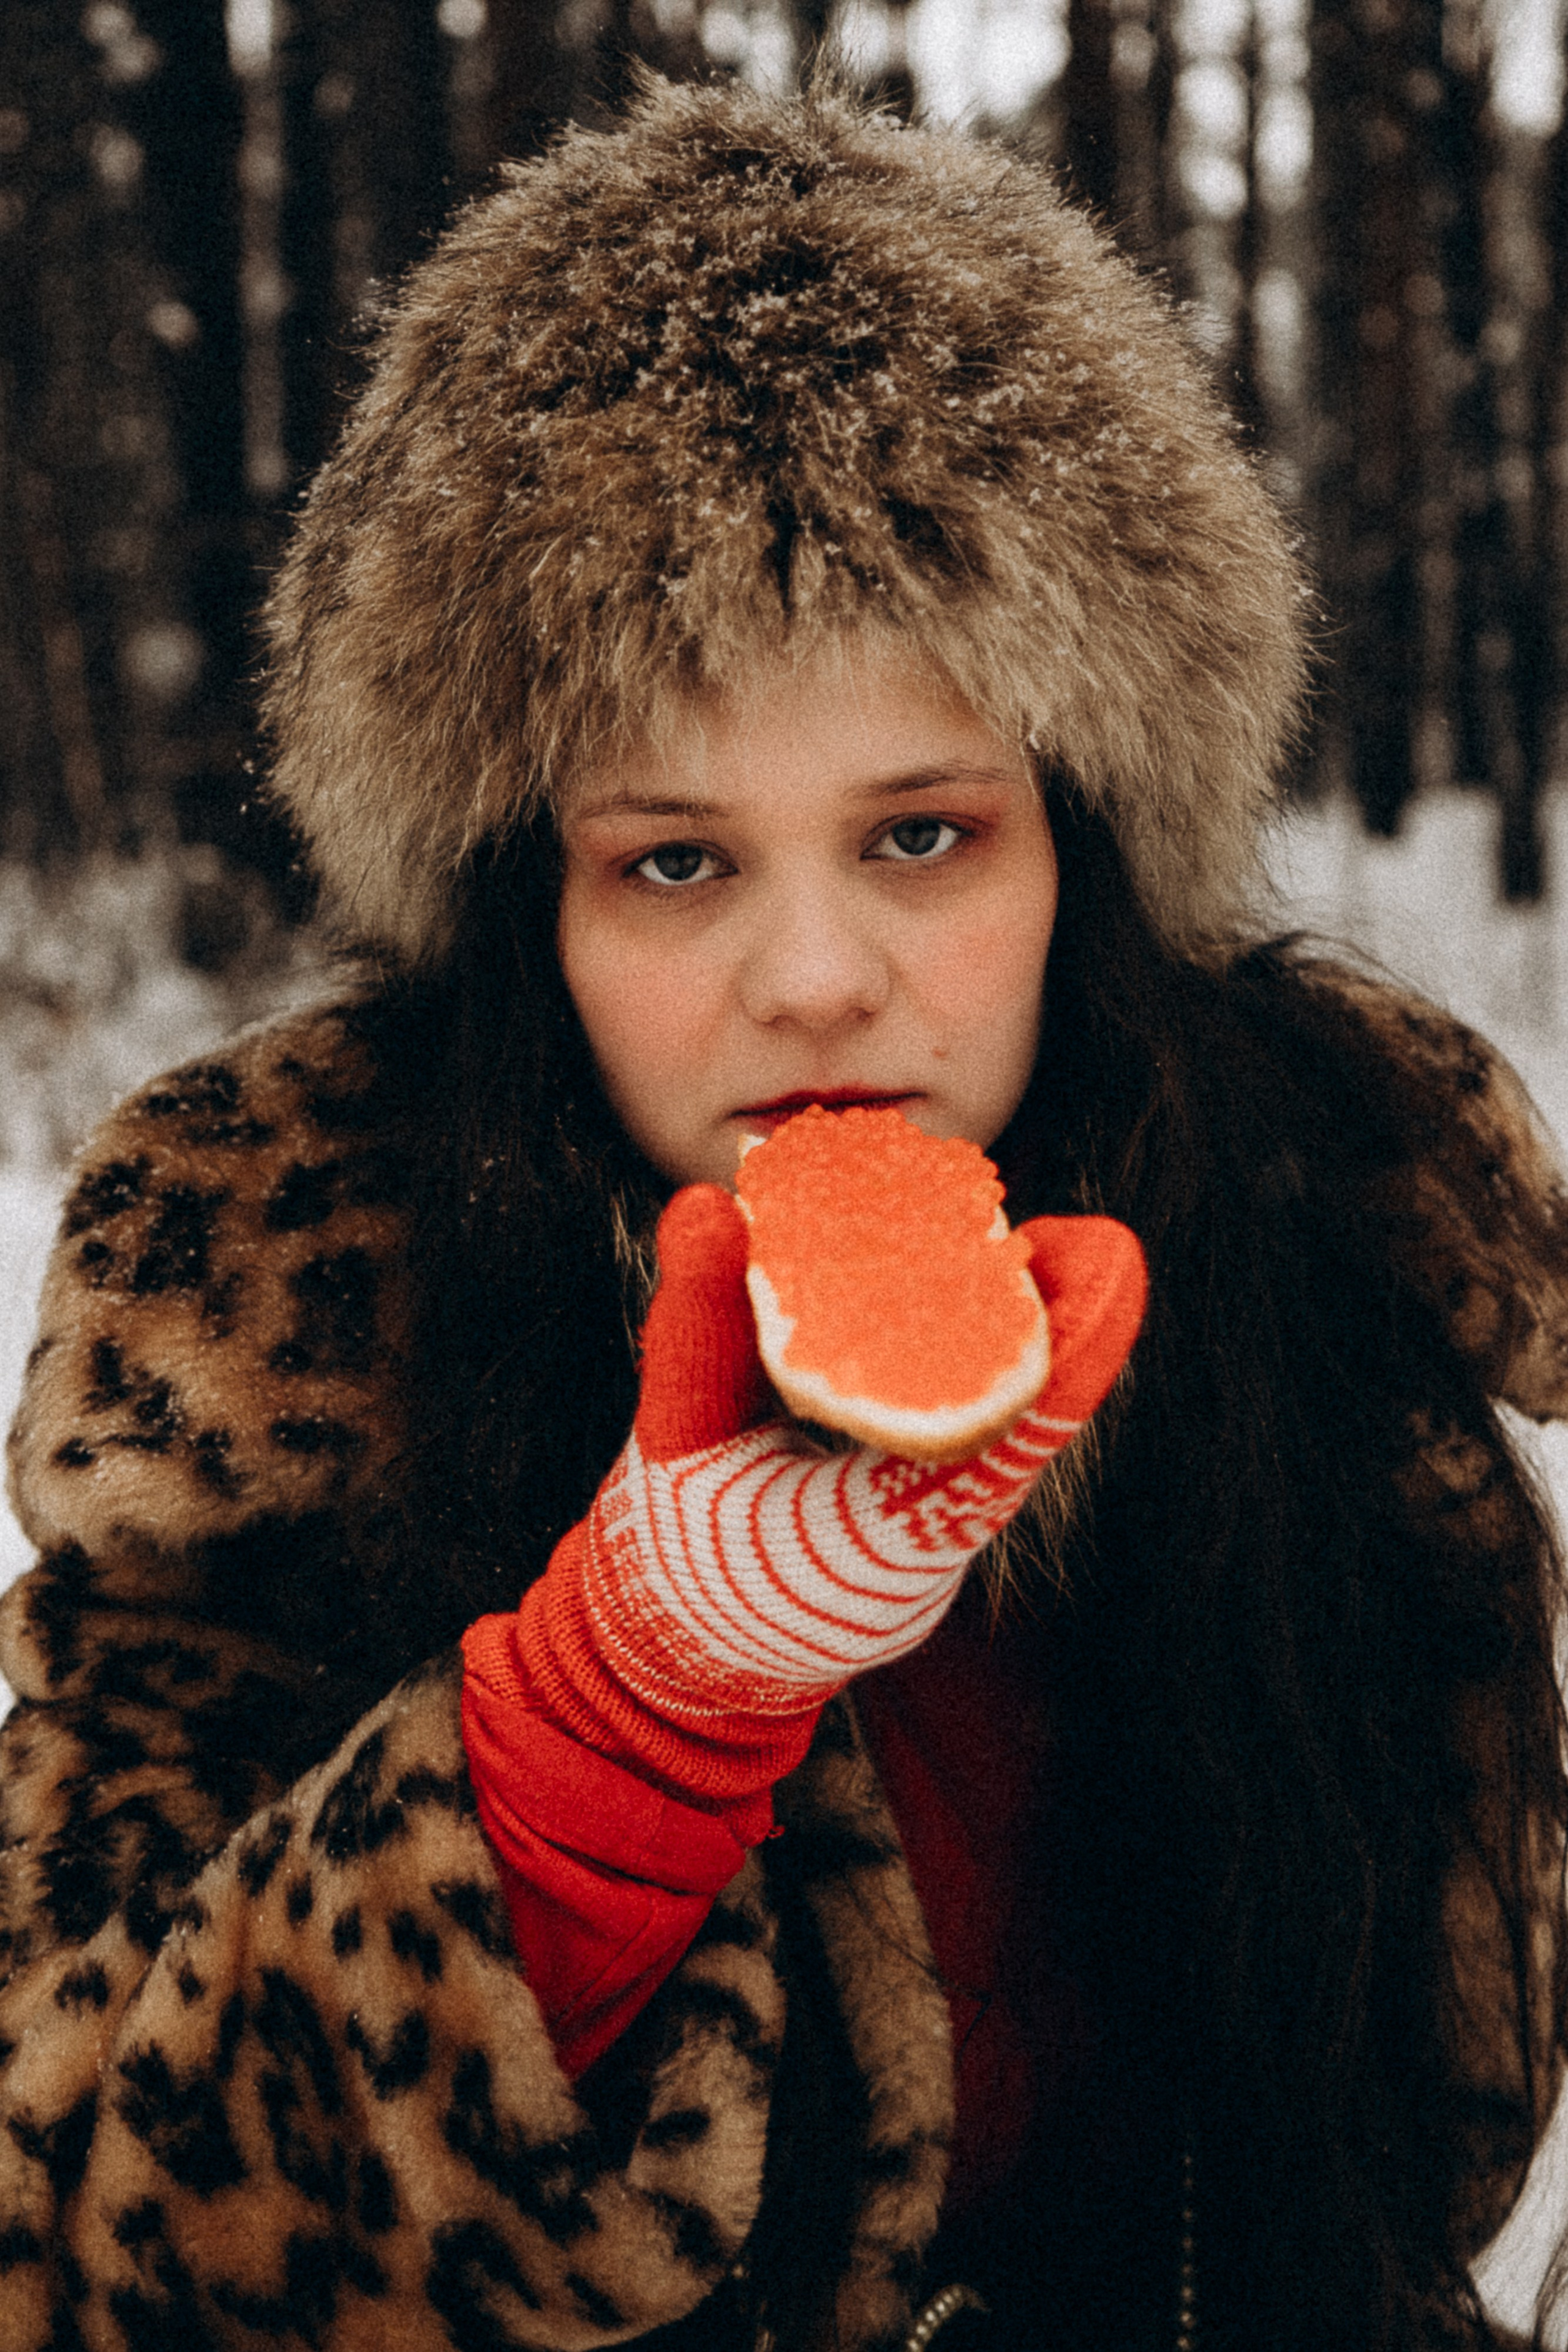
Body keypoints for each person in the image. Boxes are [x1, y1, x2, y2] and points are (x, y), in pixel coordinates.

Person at [1, 69, 1566, 2352]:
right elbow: (71, 2236)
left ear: (1085, 854)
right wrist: (624, 1702)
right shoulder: (283, 1351)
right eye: (675, 859)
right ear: (523, 911)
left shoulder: (1331, 1270)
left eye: (923, 833)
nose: (817, 978)